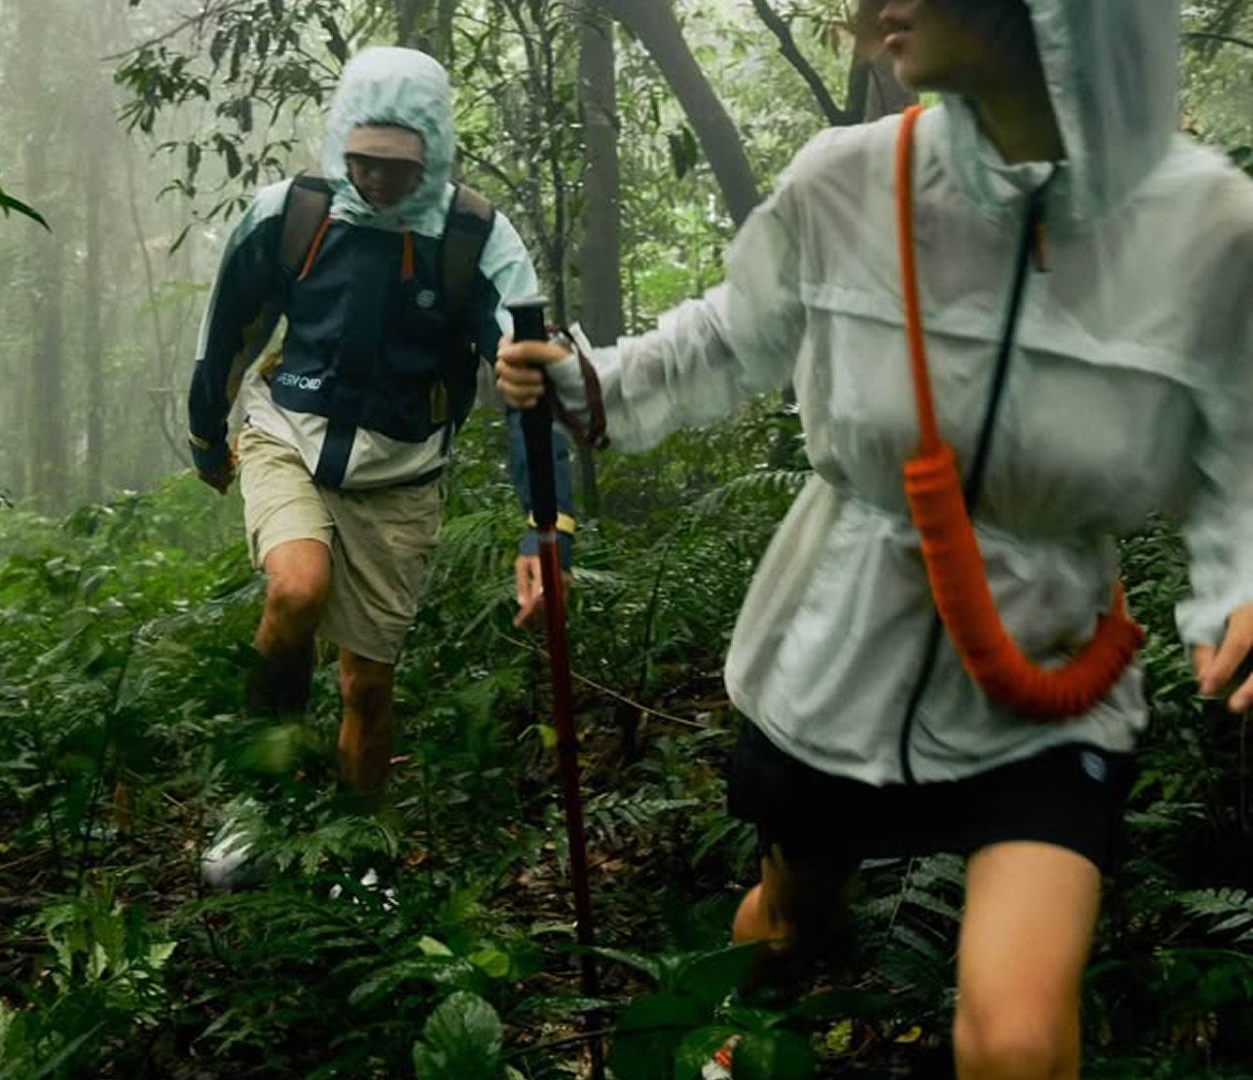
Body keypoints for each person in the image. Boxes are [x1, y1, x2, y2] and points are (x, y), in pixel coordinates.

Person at [496, 2, 1253, 1078]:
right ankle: (721, 1055)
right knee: (793, 927)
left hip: (1044, 674)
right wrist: (586, 383)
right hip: (836, 652)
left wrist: (1240, 590)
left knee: (1019, 1036)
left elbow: (1243, 439)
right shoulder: (846, 179)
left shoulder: (1207, 224)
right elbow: (729, 334)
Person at [188, 46, 575, 886]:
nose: (379, 179)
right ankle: (256, 800)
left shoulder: (476, 239)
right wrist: (205, 436)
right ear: (340, 145)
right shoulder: (290, 215)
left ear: (433, 153)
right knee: (296, 587)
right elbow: (229, 331)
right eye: (362, 159)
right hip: (286, 432)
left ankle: (359, 854)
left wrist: (544, 526)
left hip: (400, 473)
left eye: (400, 165)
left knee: (366, 685)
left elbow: (526, 381)